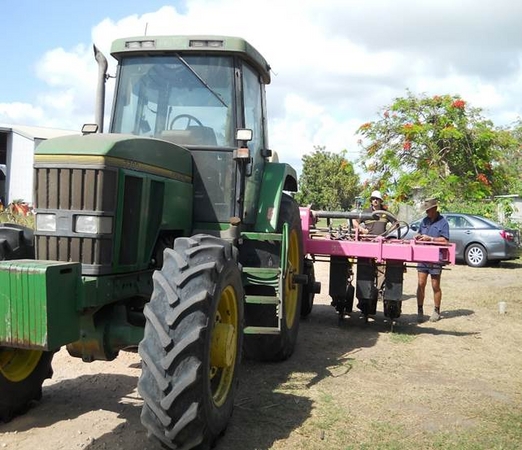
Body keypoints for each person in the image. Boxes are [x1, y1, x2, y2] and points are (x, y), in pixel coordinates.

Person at [414, 198, 450, 322]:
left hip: (436, 258)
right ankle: (420, 310)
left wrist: (431, 239)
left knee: (435, 285)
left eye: (428, 210)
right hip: (423, 257)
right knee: (421, 284)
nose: (427, 213)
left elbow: (445, 240)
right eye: (426, 210)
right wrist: (418, 237)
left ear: (434, 209)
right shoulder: (424, 221)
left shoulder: (443, 223)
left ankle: (436, 310)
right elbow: (420, 234)